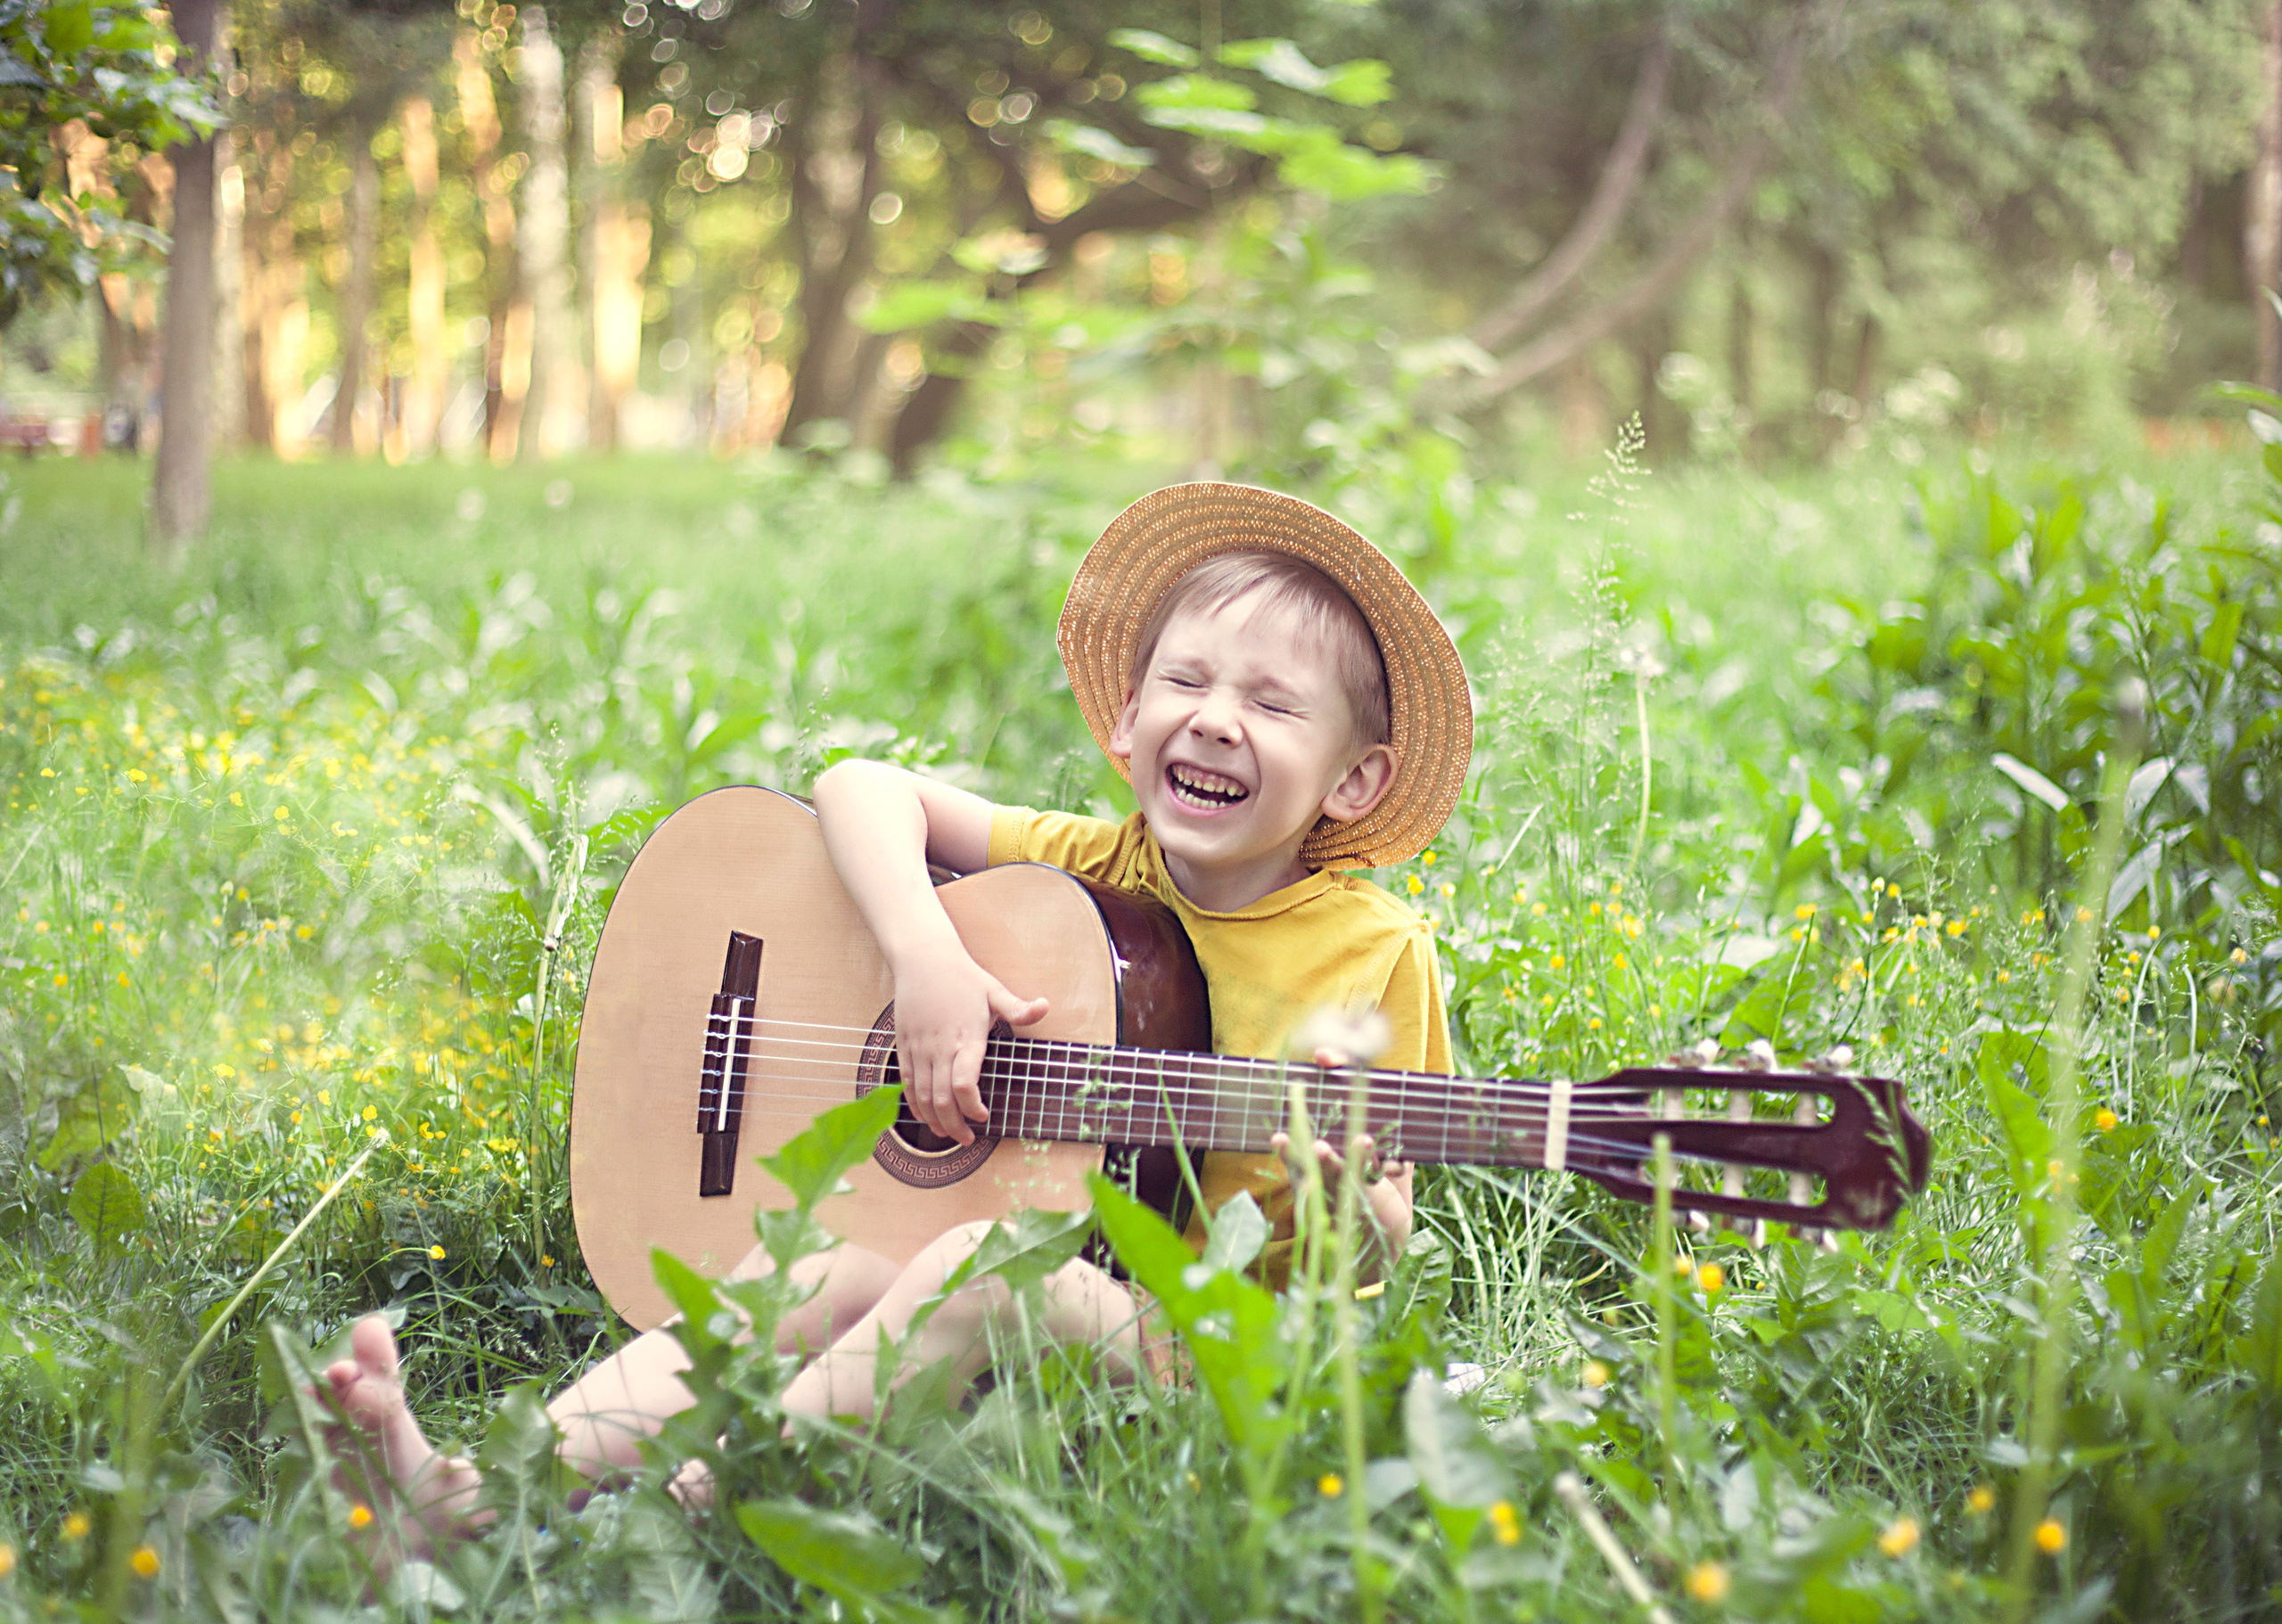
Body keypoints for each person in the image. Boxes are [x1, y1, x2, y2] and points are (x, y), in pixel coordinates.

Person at [318, 481, 1473, 1557]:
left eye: (1271, 703)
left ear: (1353, 781)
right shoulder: (1096, 865)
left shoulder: (1371, 955)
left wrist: (1348, 1199)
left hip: (1216, 1359)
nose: (1216, 720)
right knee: (823, 1273)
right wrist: (926, 958)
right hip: (1041, 1305)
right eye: (1187, 682)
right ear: (1127, 720)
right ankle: (470, 1494)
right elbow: (860, 786)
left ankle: (685, 1513)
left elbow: (1383, 1236)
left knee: (989, 1256)